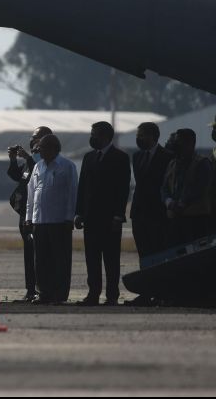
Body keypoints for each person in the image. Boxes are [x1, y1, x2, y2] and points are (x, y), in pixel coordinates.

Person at [75, 122, 131, 306]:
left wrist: (118, 215)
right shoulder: (89, 157)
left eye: (95, 134)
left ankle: (112, 295)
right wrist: (79, 212)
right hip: (90, 218)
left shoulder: (120, 157)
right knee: (92, 258)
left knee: (111, 259)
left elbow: (123, 189)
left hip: (110, 219)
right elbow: (82, 187)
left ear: (106, 136)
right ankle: (93, 293)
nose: (92, 138)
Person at [25, 134, 78, 305]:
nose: (39, 151)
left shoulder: (66, 166)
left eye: (42, 148)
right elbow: (31, 194)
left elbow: (72, 193)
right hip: (39, 220)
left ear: (53, 148)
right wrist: (29, 217)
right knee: (41, 260)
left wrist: (70, 217)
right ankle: (44, 293)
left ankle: (59, 294)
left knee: (60, 260)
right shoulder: (38, 167)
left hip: (59, 221)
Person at [7, 126, 53, 303]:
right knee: (28, 254)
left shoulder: (44, 160)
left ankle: (42, 290)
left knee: (39, 255)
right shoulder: (31, 160)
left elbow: (40, 172)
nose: (33, 140)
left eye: (37, 138)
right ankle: (30, 290)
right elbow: (18, 176)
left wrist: (28, 157)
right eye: (32, 137)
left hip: (40, 214)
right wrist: (13, 160)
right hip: (25, 213)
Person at [162, 129, 212, 246]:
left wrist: (182, 203)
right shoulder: (172, 163)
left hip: (196, 218)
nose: (174, 145)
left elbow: (200, 189)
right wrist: (168, 201)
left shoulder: (202, 163)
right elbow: (164, 187)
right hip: (175, 218)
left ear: (190, 143)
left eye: (178, 142)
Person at [131, 123, 173, 261]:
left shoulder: (168, 157)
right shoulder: (137, 156)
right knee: (143, 254)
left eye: (141, 135)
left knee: (158, 253)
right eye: (138, 136)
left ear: (152, 136)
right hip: (139, 214)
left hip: (157, 214)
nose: (138, 138)